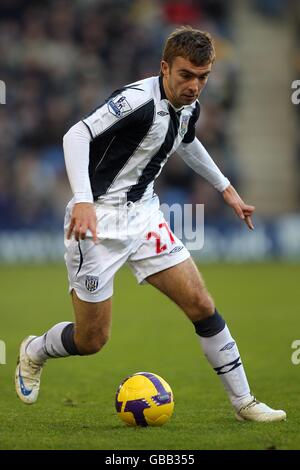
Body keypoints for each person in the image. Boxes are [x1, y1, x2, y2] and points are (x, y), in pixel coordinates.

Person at [16, 26, 286, 422]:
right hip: (98, 222)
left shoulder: (188, 105)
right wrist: (84, 203)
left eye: (203, 77)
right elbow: (76, 134)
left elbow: (188, 141)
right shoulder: (136, 101)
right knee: (92, 339)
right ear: (164, 67)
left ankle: (244, 403)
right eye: (186, 76)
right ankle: (35, 350)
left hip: (144, 217)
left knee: (201, 304)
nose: (195, 86)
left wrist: (225, 188)